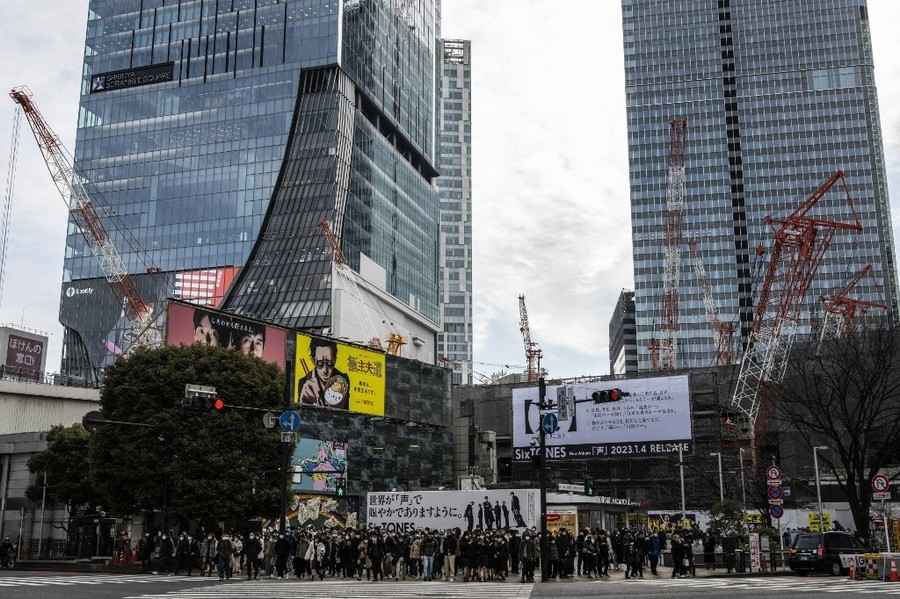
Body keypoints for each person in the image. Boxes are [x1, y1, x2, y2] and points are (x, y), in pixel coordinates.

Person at [298, 338, 350, 409]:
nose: (325, 370)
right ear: (313, 360)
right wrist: (303, 403)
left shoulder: (343, 379)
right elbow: (300, 412)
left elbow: (344, 412)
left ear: (335, 359)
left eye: (329, 363)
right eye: (320, 363)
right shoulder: (304, 383)